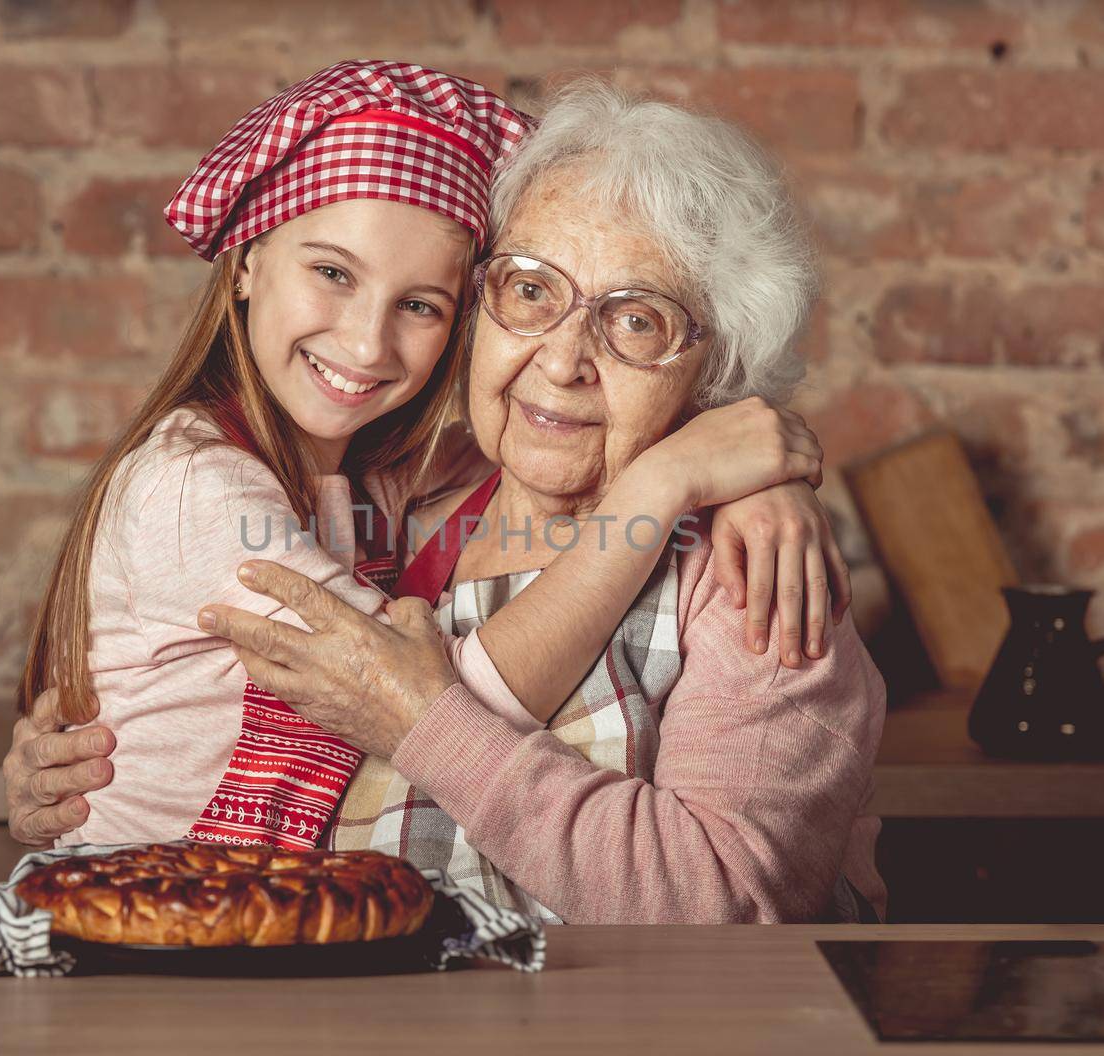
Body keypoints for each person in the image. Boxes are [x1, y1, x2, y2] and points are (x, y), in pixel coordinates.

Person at [12, 63, 849, 855]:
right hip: (156, 910)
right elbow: (415, 697)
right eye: (332, 272)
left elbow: (583, 435)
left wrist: (759, 473)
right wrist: (672, 479)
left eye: (418, 304)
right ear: (246, 258)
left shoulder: (391, 474)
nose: (367, 339)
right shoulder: (205, 485)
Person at [190, 79, 889, 923]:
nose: (562, 362)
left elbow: (727, 906)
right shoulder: (382, 498)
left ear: (719, 369)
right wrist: (76, 758)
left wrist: (426, 719)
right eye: (529, 290)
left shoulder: (752, 578)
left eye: (638, 322)